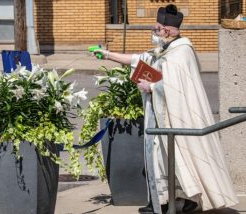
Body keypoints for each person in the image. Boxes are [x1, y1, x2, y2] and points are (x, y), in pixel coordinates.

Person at [94, 4, 239, 214]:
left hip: (180, 117)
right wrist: (106, 54)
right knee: (162, 160)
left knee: (183, 159)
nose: (154, 32)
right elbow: (138, 59)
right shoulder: (165, 49)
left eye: (156, 29)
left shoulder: (181, 53)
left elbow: (176, 86)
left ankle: (189, 200)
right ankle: (163, 202)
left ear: (167, 31)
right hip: (163, 117)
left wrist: (150, 86)